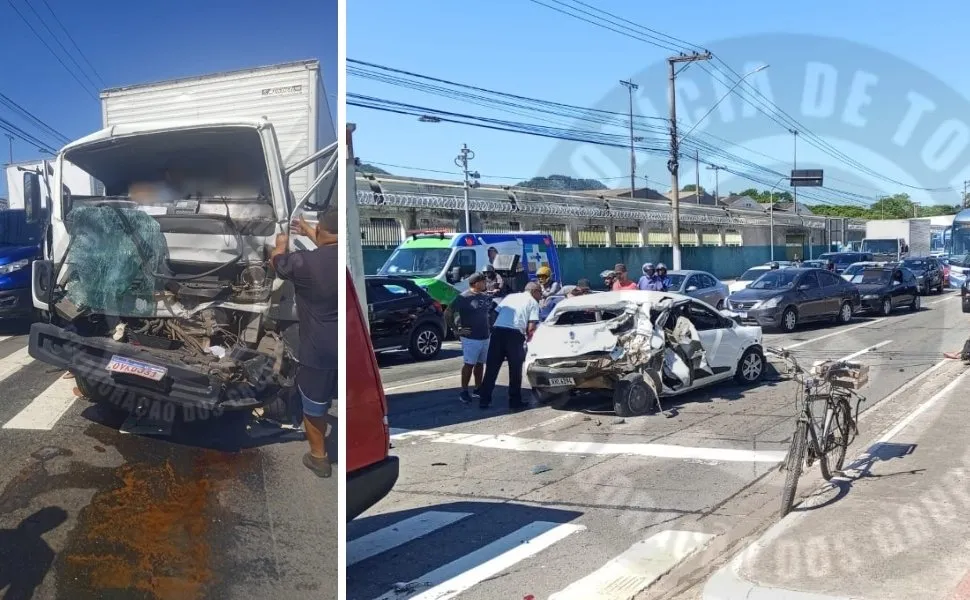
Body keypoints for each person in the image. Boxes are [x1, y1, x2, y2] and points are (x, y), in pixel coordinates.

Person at [270, 210, 338, 478]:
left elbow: (277, 262)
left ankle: (319, 458)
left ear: (321, 231)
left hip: (318, 350)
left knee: (314, 405)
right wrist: (311, 231)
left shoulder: (301, 262)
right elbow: (330, 245)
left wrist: (279, 245)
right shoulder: (344, 258)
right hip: (346, 347)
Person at [478, 281, 542, 411]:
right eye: (540, 292)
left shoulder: (510, 297)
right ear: (534, 291)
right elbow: (531, 327)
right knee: (515, 370)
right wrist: (529, 341)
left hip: (497, 332)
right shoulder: (533, 303)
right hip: (514, 335)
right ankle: (514, 402)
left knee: (491, 368)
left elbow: (495, 312)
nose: (541, 296)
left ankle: (484, 400)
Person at [444, 273, 493, 404]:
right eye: (483, 282)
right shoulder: (463, 297)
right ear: (476, 283)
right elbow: (448, 312)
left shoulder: (484, 297)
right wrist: (456, 329)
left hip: (484, 336)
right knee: (469, 365)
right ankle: (464, 391)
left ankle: (478, 388)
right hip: (471, 338)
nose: (485, 284)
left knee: (480, 364)